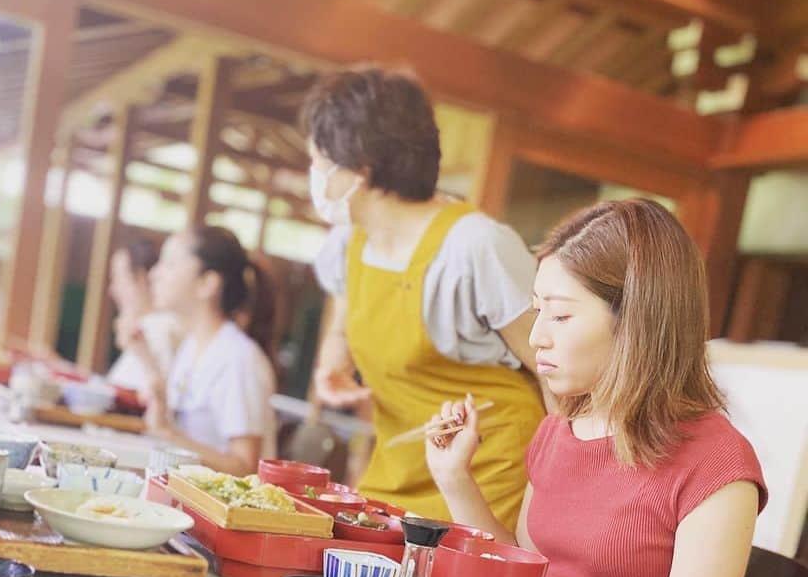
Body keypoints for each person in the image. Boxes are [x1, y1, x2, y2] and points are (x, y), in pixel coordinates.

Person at [425, 198, 766, 577]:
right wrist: (455, 478)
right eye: (537, 310)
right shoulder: (559, 428)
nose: (537, 336)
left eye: (560, 317)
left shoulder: (717, 465)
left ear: (636, 321)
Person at [305, 67, 547, 528]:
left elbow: (552, 366)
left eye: (319, 161)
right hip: (400, 468)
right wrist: (335, 355)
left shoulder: (475, 246)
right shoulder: (348, 241)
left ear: (361, 169)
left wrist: (553, 487)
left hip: (487, 475)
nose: (314, 173)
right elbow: (345, 299)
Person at [137, 226, 277, 475]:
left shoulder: (237, 359)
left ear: (207, 283)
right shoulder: (193, 346)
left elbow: (245, 467)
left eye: (169, 264)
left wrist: (169, 433)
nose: (154, 274)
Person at [105, 237, 182, 400]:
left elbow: (136, 398)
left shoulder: (159, 327)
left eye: (118, 279)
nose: (112, 290)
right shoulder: (151, 326)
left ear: (141, 279)